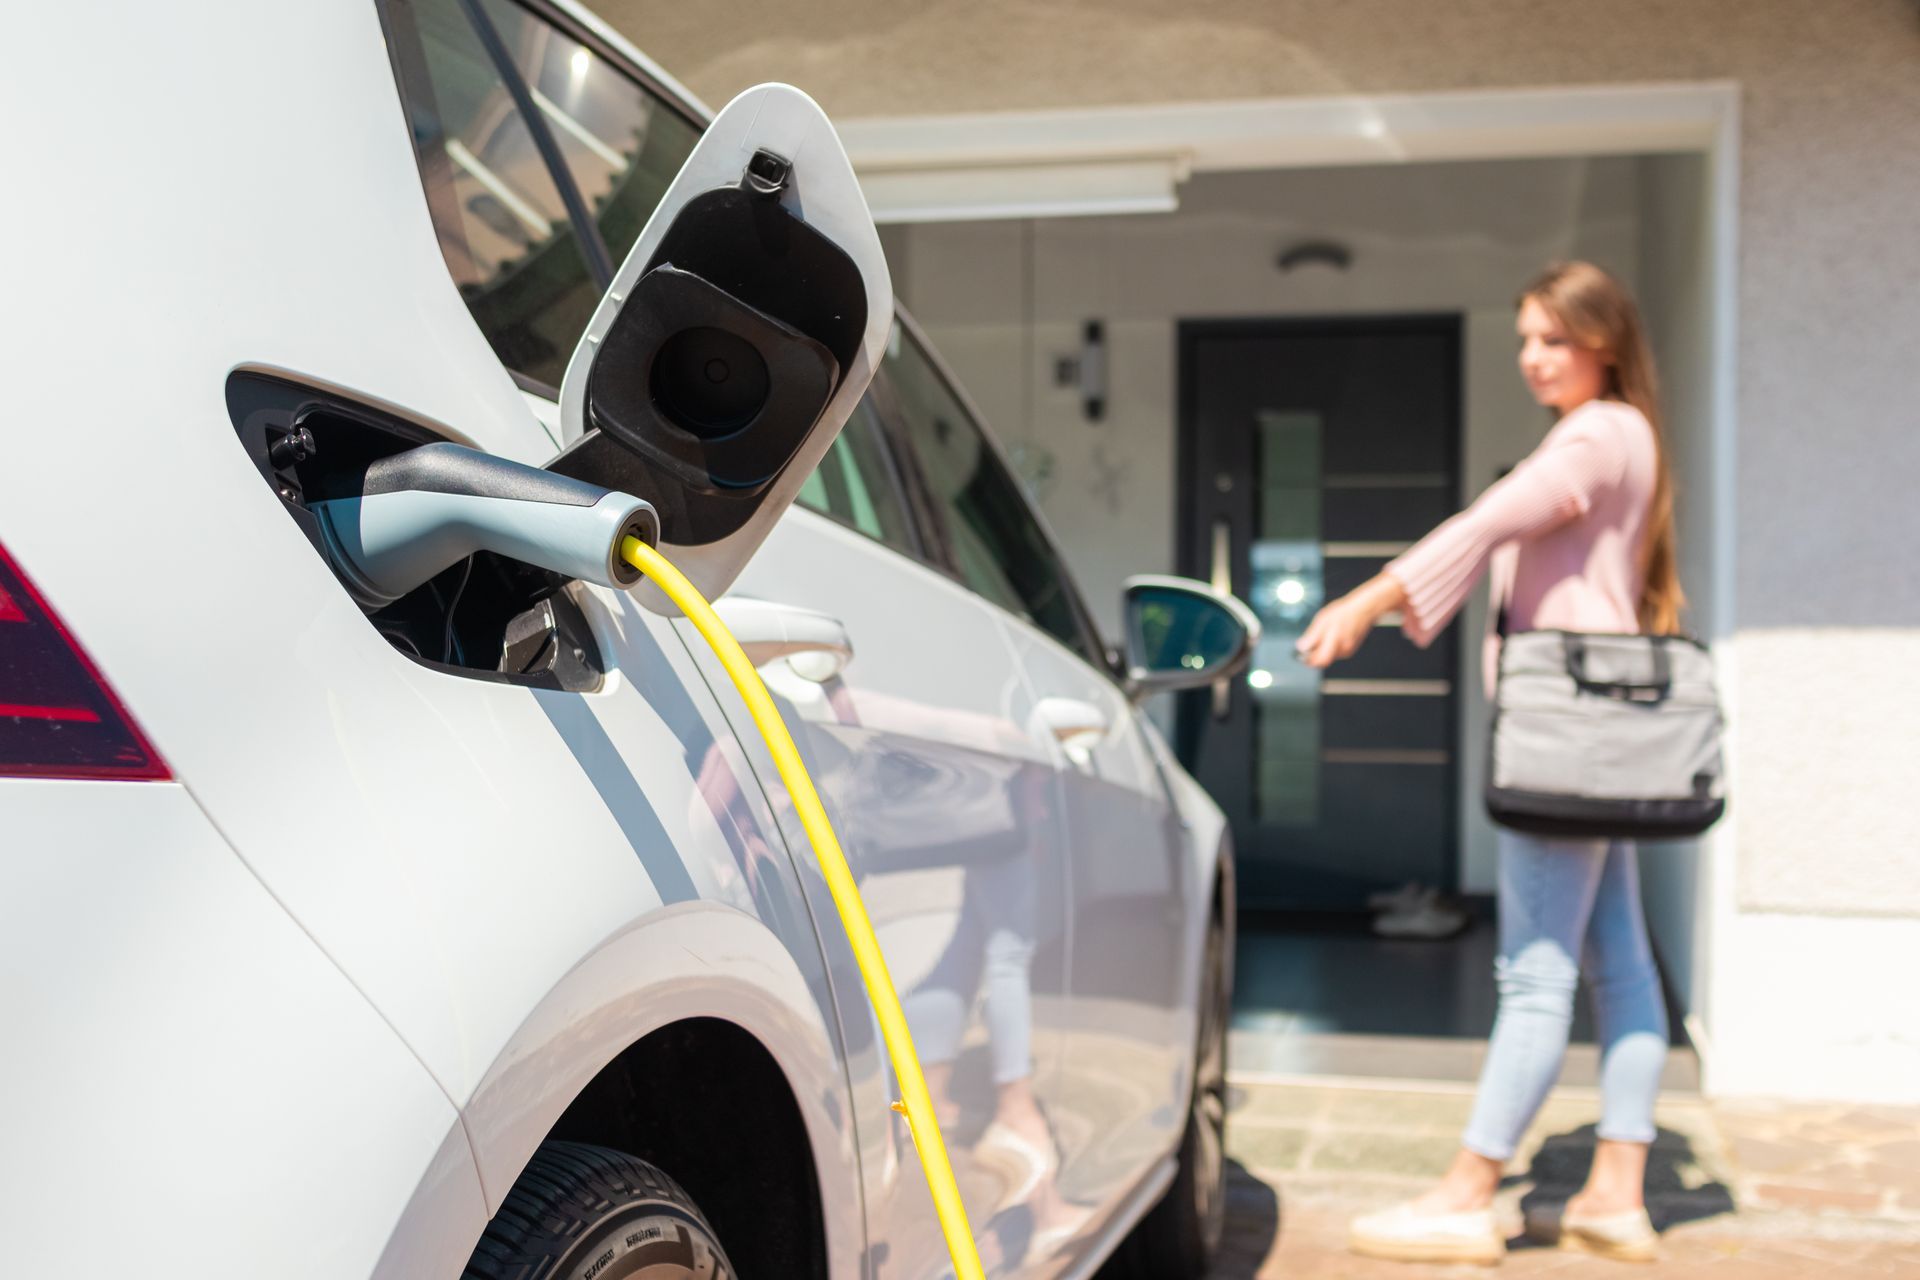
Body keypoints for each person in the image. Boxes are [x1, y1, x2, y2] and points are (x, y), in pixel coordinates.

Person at [1298, 261, 1681, 1266]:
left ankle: (1469, 1193)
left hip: (1565, 737)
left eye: (1553, 338)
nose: (1533, 358)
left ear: (1605, 338)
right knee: (1625, 965)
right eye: (1524, 339)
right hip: (1601, 736)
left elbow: (1494, 518)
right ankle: (1617, 1193)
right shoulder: (1631, 435)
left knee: (1535, 972)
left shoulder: (1597, 433)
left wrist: (1370, 598)